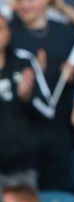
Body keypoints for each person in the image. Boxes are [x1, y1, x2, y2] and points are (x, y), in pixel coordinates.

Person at [8, 0, 74, 193]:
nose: (25, 6)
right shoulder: (9, 34)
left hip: (59, 131)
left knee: (59, 195)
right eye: (20, 0)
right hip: (21, 132)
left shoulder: (64, 32)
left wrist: (73, 75)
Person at [0, 16, 37, 190]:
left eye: (0, 29)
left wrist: (27, 96)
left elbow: (48, 111)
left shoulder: (23, 64)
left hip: (23, 165)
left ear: (8, 33)